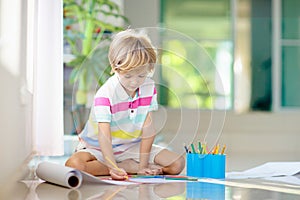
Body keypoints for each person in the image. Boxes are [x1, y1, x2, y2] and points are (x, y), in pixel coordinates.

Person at [65, 29, 185, 180]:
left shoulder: (148, 87)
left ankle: (130, 166)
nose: (134, 82)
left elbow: (148, 130)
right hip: (98, 149)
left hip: (131, 147)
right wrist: (113, 166)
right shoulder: (105, 93)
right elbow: (104, 136)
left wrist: (142, 166)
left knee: (177, 164)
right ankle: (126, 167)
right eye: (128, 76)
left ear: (149, 69)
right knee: (74, 165)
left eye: (141, 75)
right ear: (115, 67)